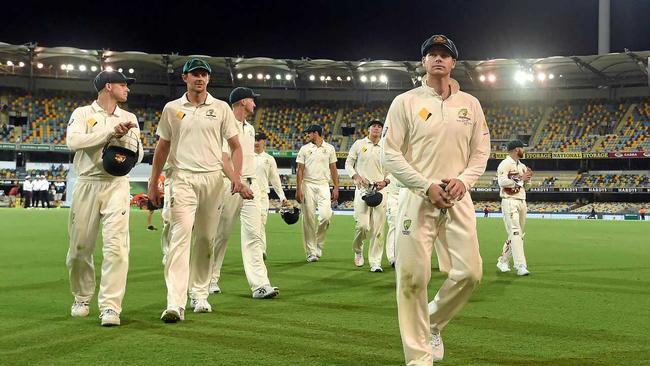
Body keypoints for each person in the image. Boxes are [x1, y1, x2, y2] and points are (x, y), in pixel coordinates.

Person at [382, 34, 490, 364]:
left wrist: (465, 181)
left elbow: (481, 151)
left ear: (454, 63)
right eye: (432, 54)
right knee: (413, 279)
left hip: (458, 198)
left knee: (470, 273)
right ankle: (418, 358)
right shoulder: (407, 102)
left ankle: (432, 322)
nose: (438, 58)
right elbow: (389, 154)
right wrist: (424, 185)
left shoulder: (470, 104)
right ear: (424, 63)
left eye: (445, 54)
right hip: (418, 199)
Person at [148, 59, 245, 323]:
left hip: (213, 180)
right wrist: (153, 181)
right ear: (185, 78)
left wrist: (236, 177)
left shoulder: (222, 108)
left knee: (205, 239)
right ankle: (174, 303)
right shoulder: (172, 109)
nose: (200, 79)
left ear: (209, 79)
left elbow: (235, 146)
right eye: (195, 75)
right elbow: (162, 147)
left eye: (204, 75)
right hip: (181, 179)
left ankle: (200, 294)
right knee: (180, 239)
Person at [65, 70, 143, 326]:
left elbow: (139, 155)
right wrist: (109, 134)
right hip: (87, 184)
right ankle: (81, 297)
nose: (127, 89)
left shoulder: (129, 117)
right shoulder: (83, 113)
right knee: (79, 250)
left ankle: (111, 307)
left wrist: (125, 143)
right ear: (108, 86)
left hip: (117, 186)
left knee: (117, 249)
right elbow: (73, 142)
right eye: (123, 85)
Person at [190, 86, 278, 301]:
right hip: (228, 185)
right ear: (241, 102)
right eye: (251, 100)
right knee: (220, 235)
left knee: (254, 235)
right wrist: (236, 181)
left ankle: (260, 285)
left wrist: (244, 182)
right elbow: (223, 157)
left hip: (250, 185)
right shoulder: (223, 123)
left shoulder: (249, 128)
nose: (254, 104)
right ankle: (210, 279)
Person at [345, 119, 389, 272]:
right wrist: (355, 176)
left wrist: (386, 181)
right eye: (374, 126)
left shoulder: (386, 146)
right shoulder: (359, 144)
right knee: (362, 225)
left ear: (382, 130)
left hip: (380, 190)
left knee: (378, 228)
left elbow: (393, 168)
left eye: (379, 127)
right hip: (362, 189)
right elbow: (348, 164)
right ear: (368, 129)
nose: (376, 128)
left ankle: (375, 262)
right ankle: (358, 250)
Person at [295, 124, 339, 262]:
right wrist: (298, 188)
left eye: (309, 133)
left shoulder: (330, 148)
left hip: (323, 185)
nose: (307, 135)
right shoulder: (304, 149)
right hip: (307, 184)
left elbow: (333, 169)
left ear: (316, 133)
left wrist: (336, 187)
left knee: (326, 216)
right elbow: (300, 170)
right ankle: (311, 252)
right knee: (308, 218)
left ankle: (318, 243)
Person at [496, 139, 533, 276]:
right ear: (517, 150)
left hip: (522, 200)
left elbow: (526, 186)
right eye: (522, 148)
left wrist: (528, 179)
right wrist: (521, 178)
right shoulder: (505, 164)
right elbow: (502, 182)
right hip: (509, 201)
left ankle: (503, 261)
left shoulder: (522, 166)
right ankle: (520, 266)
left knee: (517, 235)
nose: (524, 150)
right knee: (516, 232)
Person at [254, 132, 288, 259]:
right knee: (250, 225)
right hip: (248, 195)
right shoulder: (246, 156)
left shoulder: (269, 159)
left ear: (264, 142)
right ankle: (253, 250)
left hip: (263, 195)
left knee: (261, 222)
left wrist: (282, 196)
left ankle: (261, 250)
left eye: (259, 140)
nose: (256, 142)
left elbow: (275, 180)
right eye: (254, 139)